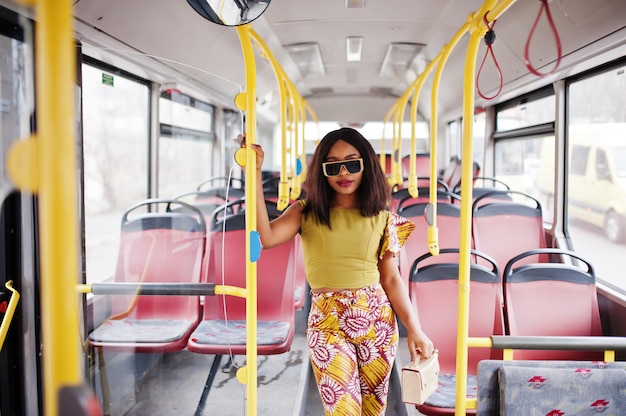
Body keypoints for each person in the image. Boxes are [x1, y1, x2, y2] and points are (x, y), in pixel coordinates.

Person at [248, 127, 434, 416]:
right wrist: (254, 175)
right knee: (343, 410)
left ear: (367, 166)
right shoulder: (305, 212)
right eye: (333, 165)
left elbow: (391, 278)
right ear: (322, 171)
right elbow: (267, 238)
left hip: (378, 324)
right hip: (327, 325)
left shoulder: (384, 219)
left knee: (373, 411)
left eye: (353, 163)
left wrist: (415, 328)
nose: (343, 172)